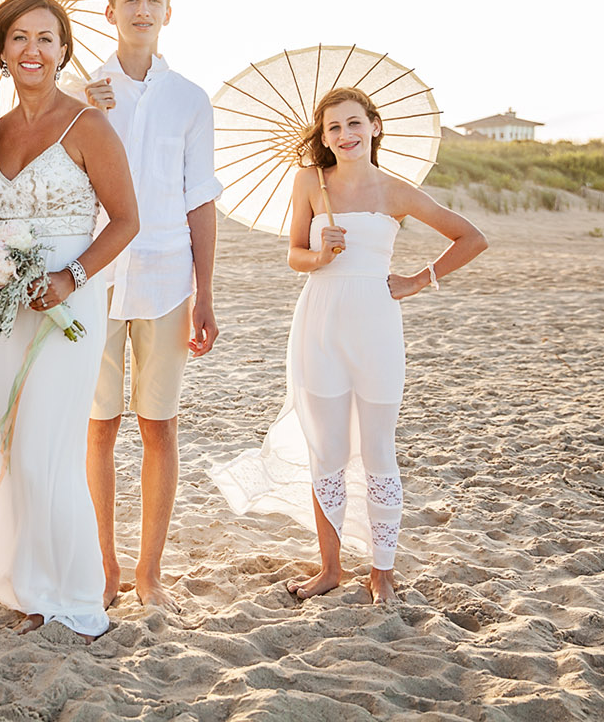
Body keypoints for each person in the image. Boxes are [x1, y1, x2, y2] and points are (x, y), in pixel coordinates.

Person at [208, 87, 487, 604]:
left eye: (355, 124)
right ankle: (330, 567)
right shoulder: (310, 183)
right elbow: (293, 254)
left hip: (377, 326)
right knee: (328, 451)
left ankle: (382, 571)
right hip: (320, 323)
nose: (345, 135)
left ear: (375, 127)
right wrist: (319, 256)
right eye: (334, 128)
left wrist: (418, 279)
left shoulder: (396, 191)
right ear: (324, 136)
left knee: (379, 451)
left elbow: (471, 237)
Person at [0, 0, 138, 637]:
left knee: (45, 450)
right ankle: (17, 584)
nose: (32, 50)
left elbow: (125, 220)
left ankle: (68, 591)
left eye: (46, 38)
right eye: (19, 38)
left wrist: (71, 276)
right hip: (2, 303)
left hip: (70, 302)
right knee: (1, 443)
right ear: (0, 50)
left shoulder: (87, 124)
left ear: (63, 50)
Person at [82, 0, 222, 611]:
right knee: (98, 426)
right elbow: (61, 186)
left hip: (167, 279)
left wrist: (205, 293)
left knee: (157, 425)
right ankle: (104, 568)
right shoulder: (81, 90)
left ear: (168, 12)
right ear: (110, 12)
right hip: (95, 278)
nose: (141, 9)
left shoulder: (189, 99)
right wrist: (85, 113)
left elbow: (199, 198)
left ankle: (149, 575)